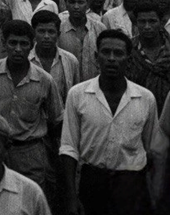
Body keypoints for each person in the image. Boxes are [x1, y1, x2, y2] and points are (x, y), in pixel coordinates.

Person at [60, 29, 162, 215]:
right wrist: (71, 197)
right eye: (106, 52)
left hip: (131, 183)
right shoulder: (77, 94)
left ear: (129, 60)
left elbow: (152, 149)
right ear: (96, 57)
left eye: (118, 53)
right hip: (93, 181)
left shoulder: (145, 98)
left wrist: (153, 195)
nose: (111, 59)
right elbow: (69, 147)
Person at [0, 20, 63, 210]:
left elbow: (56, 120)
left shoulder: (44, 80)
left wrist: (52, 158)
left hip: (30, 154)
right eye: (13, 43)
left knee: (28, 204)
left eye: (23, 44)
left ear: (32, 45)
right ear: (4, 43)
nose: (18, 49)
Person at [126, 0, 170, 110]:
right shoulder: (128, 50)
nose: (147, 26)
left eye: (152, 21)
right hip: (135, 109)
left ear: (161, 22)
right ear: (135, 23)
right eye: (142, 21)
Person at [29, 10, 79, 102]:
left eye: (51, 32)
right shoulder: (26, 60)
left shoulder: (71, 61)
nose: (46, 36)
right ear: (33, 34)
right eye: (41, 31)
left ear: (58, 34)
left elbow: (75, 96)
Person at [59, 0, 104, 81]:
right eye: (72, 2)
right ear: (66, 4)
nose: (76, 6)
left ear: (87, 4)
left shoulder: (99, 28)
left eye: (80, 2)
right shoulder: (59, 29)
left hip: (93, 84)